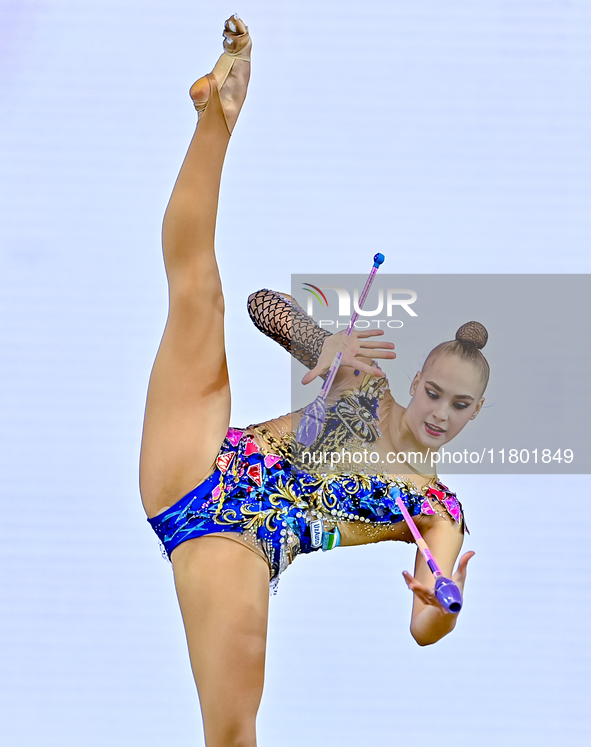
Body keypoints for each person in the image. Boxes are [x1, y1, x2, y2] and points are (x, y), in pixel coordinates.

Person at [139, 16, 484, 747]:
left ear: (472, 415)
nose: (437, 412)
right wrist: (323, 343)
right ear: (415, 379)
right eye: (433, 392)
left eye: (458, 406)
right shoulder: (362, 386)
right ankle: (218, 117)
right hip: (202, 456)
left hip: (242, 543)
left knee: (232, 736)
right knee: (198, 292)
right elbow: (266, 304)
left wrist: (440, 606)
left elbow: (426, 619)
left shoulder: (435, 507)